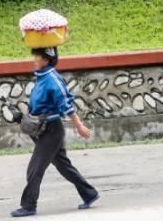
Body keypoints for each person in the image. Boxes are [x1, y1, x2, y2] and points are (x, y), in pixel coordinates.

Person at [10, 47, 99, 218]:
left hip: (52, 130)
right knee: (64, 166)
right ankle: (89, 194)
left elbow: (65, 104)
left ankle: (28, 206)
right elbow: (39, 106)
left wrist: (78, 125)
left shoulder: (52, 79)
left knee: (34, 169)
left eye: (37, 56)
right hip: (43, 129)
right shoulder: (42, 77)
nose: (34, 59)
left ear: (46, 59)